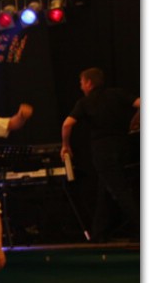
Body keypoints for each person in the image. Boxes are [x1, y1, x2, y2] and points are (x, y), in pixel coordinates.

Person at [60, 67, 140, 242]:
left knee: (120, 191)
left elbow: (67, 124)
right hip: (124, 146)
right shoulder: (117, 93)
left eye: (82, 82)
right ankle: (99, 234)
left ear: (89, 83)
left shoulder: (85, 102)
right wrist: (136, 119)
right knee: (105, 190)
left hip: (103, 150)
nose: (81, 86)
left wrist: (65, 146)